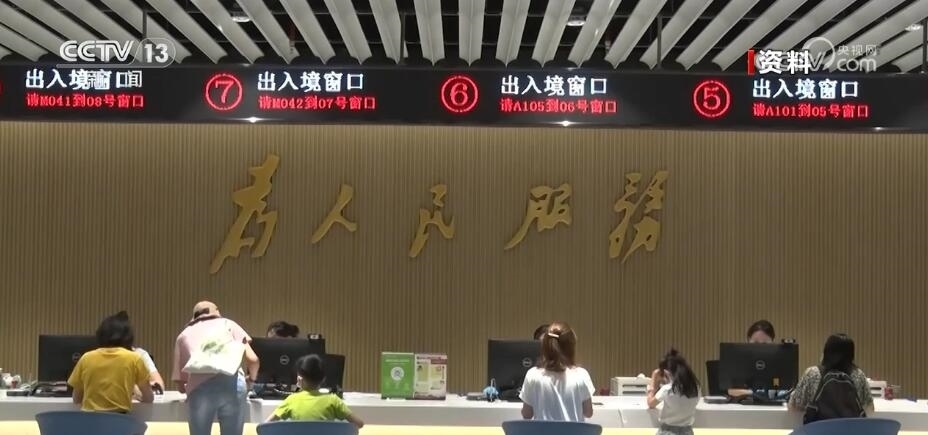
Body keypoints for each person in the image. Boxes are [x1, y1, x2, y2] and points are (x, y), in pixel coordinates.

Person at [173, 301, 259, 435]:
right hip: (234, 385)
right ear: (217, 311)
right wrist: (251, 380)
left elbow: (180, 385)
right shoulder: (229, 325)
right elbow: (253, 360)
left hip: (200, 389)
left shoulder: (183, 335)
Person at [68, 311, 154, 412]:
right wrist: (135, 395)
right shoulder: (135, 359)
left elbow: (76, 399)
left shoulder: (86, 358)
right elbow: (149, 398)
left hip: (90, 419)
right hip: (119, 419)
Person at [789, 333, 873, 424]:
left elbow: (794, 407)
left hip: (818, 429)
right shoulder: (858, 375)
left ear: (826, 352)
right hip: (850, 429)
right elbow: (870, 408)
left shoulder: (812, 373)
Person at [519, 322, 594, 422]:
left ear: (545, 346)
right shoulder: (581, 375)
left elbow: (527, 414)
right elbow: (588, 413)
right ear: (571, 347)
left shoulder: (532, 374)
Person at [266, 355, 364, 428]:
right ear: (323, 379)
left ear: (299, 379)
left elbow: (265, 425)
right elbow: (359, 424)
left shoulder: (291, 400)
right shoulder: (334, 401)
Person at [726, 320, 788, 399]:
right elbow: (732, 390)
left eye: (765, 344)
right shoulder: (740, 362)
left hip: (772, 405)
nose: (760, 348)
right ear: (748, 341)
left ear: (772, 342)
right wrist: (755, 394)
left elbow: (785, 390)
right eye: (756, 343)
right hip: (745, 404)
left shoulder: (779, 364)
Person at [647, 349, 700, 435]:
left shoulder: (667, 389)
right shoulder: (696, 388)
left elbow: (650, 403)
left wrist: (653, 380)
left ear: (666, 372)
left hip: (667, 431)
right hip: (687, 431)